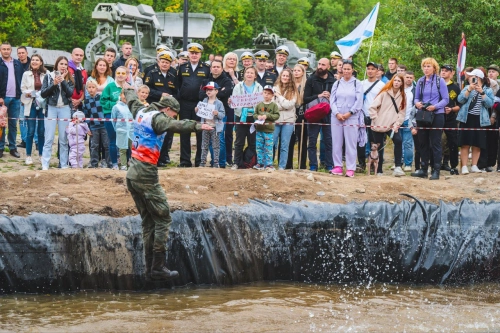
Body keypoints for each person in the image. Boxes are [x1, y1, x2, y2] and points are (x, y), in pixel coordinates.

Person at [123, 88, 213, 281]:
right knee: (163, 219)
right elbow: (174, 125)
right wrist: (197, 126)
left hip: (131, 174)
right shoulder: (159, 118)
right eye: (173, 113)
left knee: (148, 222)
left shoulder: (140, 109)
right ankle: (158, 267)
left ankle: (149, 270)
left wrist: (128, 87)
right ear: (167, 109)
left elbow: (130, 97)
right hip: (146, 174)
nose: (173, 116)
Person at [410, 57, 449, 180]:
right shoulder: (420, 81)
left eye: (428, 66)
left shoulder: (440, 81)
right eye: (424, 66)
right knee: (423, 142)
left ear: (434, 68)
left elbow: (446, 99)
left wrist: (435, 106)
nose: (426, 69)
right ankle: (423, 169)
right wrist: (417, 104)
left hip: (437, 114)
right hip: (423, 114)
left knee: (435, 143)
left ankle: (436, 170)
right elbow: (416, 98)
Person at [177, 42, 210, 167]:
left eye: (197, 53)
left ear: (200, 54)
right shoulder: (182, 67)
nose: (194, 55)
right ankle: (185, 161)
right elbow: (178, 84)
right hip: (185, 104)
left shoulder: (206, 68)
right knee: (184, 132)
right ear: (188, 54)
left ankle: (199, 161)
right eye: (192, 53)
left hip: (200, 104)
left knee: (200, 133)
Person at [330, 59, 363, 177]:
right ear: (341, 70)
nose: (346, 71)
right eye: (344, 69)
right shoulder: (337, 83)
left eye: (348, 69)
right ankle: (337, 166)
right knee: (337, 142)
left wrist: (350, 112)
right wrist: (336, 113)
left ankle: (350, 168)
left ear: (352, 70)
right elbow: (332, 100)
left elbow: (359, 101)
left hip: (351, 117)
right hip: (336, 116)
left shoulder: (357, 83)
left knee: (350, 143)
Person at [457, 68, 494, 174]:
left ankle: (474, 165)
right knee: (465, 143)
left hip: (481, 119)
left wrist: (482, 92)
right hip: (466, 118)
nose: (471, 78)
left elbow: (490, 104)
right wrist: (469, 90)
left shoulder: (488, 90)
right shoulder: (467, 88)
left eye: (474, 77)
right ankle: (464, 166)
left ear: (479, 78)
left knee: (478, 143)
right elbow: (460, 100)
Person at [40, 56, 75, 170]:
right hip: (51, 108)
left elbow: (70, 93)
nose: (63, 66)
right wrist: (54, 83)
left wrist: (63, 81)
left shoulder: (70, 77)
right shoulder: (48, 76)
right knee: (49, 138)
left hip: (65, 108)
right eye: (61, 64)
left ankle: (64, 164)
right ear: (56, 65)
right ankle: (45, 164)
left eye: (65, 64)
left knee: (63, 139)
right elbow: (43, 93)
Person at [369, 74, 407, 177]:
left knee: (398, 140)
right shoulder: (384, 93)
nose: (397, 82)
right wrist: (376, 119)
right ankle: (379, 169)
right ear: (392, 81)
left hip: (391, 125)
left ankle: (398, 167)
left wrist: (397, 124)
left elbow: (402, 112)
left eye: (399, 81)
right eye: (395, 80)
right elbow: (372, 107)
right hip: (378, 125)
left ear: (402, 83)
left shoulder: (403, 95)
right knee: (379, 146)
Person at [145, 51, 178, 167]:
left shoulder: (173, 76)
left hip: (168, 110)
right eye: (162, 62)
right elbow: (147, 90)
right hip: (156, 107)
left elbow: (176, 91)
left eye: (167, 63)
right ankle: (154, 158)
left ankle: (163, 158)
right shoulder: (152, 74)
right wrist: (161, 94)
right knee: (155, 133)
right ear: (158, 63)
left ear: (170, 64)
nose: (164, 64)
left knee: (167, 134)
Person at [198, 59, 233, 168]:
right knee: (205, 143)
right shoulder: (205, 81)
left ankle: (220, 163)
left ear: (222, 68)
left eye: (218, 66)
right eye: (214, 66)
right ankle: (209, 162)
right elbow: (200, 95)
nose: (216, 68)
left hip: (220, 116)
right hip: (206, 119)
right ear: (210, 68)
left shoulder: (227, 80)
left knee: (220, 141)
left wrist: (220, 93)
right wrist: (219, 92)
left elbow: (227, 92)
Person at [303, 58, 335, 171]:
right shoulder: (311, 79)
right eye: (319, 64)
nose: (320, 67)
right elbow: (305, 99)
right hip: (314, 113)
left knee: (329, 141)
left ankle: (329, 165)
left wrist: (330, 97)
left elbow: (338, 100)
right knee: (312, 141)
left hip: (328, 114)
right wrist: (319, 96)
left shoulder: (333, 81)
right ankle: (313, 165)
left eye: (323, 65)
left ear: (328, 67)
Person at [230, 66, 263, 169]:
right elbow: (235, 102)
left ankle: (251, 162)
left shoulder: (259, 87)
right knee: (239, 141)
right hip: (240, 116)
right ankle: (236, 163)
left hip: (253, 117)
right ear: (244, 74)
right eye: (247, 72)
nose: (249, 74)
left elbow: (261, 102)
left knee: (252, 141)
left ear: (255, 76)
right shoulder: (238, 86)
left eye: (251, 73)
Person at [102, 66, 131, 169]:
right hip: (110, 115)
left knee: (127, 139)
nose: (120, 75)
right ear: (115, 74)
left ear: (127, 75)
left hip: (126, 116)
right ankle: (114, 163)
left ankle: (126, 162)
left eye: (123, 73)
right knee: (113, 139)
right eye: (118, 73)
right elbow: (103, 101)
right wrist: (115, 103)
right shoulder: (110, 86)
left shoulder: (129, 87)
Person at [20, 54, 46, 165]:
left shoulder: (46, 74)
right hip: (30, 104)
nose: (34, 62)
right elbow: (23, 88)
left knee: (41, 131)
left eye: (37, 60)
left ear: (41, 62)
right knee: (30, 131)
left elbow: (48, 88)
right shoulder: (26, 74)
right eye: (33, 60)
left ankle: (41, 155)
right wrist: (30, 93)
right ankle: (28, 155)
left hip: (42, 105)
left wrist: (41, 94)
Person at [359, 62, 385, 172]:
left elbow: (384, 101)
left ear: (377, 71)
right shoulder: (361, 83)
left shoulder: (382, 85)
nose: (370, 71)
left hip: (375, 117)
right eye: (368, 69)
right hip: (362, 115)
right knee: (361, 140)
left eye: (372, 69)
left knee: (377, 141)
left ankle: (378, 168)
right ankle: (361, 164)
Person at [0, 42, 24, 158]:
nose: (6, 51)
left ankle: (13, 148)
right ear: (0, 51)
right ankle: (0, 148)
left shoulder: (17, 64)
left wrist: (21, 95)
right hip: (2, 99)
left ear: (11, 50)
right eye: (3, 49)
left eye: (8, 49)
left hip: (16, 98)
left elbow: (22, 80)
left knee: (13, 124)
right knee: (1, 124)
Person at [196, 81, 225, 167]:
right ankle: (202, 162)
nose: (208, 91)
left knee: (216, 145)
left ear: (216, 91)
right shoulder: (204, 101)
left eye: (211, 90)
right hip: (205, 126)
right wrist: (196, 110)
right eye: (207, 90)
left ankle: (216, 162)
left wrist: (217, 113)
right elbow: (199, 112)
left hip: (215, 127)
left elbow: (222, 115)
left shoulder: (219, 103)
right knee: (204, 145)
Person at [273, 68, 297, 170]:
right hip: (275, 119)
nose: (285, 78)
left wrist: (279, 97)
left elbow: (290, 105)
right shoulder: (274, 88)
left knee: (284, 145)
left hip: (288, 120)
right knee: (272, 143)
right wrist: (284, 104)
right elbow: (272, 105)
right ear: (280, 76)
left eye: (287, 76)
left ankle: (282, 166)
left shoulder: (294, 91)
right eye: (284, 75)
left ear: (290, 78)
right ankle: (269, 164)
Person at [82, 78, 110, 168]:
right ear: (86, 89)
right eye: (89, 87)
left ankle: (108, 162)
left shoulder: (102, 98)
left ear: (96, 88)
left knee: (106, 144)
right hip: (93, 126)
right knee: (94, 146)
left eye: (93, 87)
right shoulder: (86, 101)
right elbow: (86, 115)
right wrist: (87, 128)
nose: (91, 89)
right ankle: (94, 163)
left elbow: (106, 111)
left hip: (104, 125)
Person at [440, 64, 461, 175]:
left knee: (453, 142)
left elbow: (459, 105)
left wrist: (452, 109)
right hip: (437, 117)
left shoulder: (456, 87)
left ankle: (452, 166)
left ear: (452, 73)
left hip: (451, 118)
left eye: (446, 71)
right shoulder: (435, 85)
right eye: (442, 70)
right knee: (435, 142)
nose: (443, 72)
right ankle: (435, 164)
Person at [286, 64, 308, 169]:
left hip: (302, 115)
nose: (296, 72)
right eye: (294, 70)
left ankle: (302, 165)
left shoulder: (306, 84)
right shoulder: (289, 84)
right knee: (289, 140)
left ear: (303, 72)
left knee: (302, 141)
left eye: (298, 70)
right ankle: (288, 164)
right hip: (290, 114)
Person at [253, 85, 280, 170]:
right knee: (259, 147)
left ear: (272, 95)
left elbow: (276, 115)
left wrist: (267, 116)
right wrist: (258, 117)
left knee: (268, 148)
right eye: (265, 93)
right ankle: (260, 163)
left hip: (269, 130)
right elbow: (254, 114)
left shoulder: (274, 105)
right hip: (259, 129)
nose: (266, 95)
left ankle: (268, 164)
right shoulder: (258, 105)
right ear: (262, 93)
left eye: (269, 93)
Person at [112, 91, 134, 170]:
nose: (126, 97)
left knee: (133, 148)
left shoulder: (132, 106)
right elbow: (113, 120)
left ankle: (133, 165)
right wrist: (117, 129)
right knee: (122, 149)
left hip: (132, 131)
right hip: (121, 131)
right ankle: (123, 165)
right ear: (121, 95)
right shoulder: (116, 107)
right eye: (124, 95)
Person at [17, 46, 31, 149]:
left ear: (27, 53)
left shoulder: (32, 63)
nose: (21, 54)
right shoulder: (15, 64)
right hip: (19, 95)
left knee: (31, 119)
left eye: (23, 52)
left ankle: (33, 140)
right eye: (19, 53)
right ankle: (24, 140)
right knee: (22, 119)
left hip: (31, 96)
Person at [402, 71, 416, 171]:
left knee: (408, 143)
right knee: (397, 142)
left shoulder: (415, 91)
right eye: (407, 77)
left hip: (408, 119)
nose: (409, 79)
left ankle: (408, 164)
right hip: (397, 119)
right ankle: (398, 162)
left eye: (411, 77)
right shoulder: (398, 89)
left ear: (413, 78)